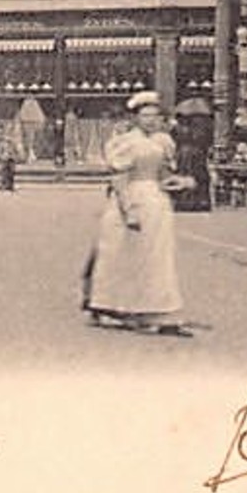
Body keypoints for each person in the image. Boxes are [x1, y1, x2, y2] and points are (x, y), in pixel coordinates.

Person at [81, 91, 192, 337]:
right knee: (126, 255)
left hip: (157, 203)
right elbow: (120, 178)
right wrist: (128, 210)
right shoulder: (126, 142)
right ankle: (121, 306)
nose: (151, 120)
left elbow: (162, 174)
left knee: (157, 258)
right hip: (131, 199)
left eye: (155, 116)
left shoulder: (163, 142)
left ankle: (160, 311)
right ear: (135, 118)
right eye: (145, 115)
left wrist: (178, 182)